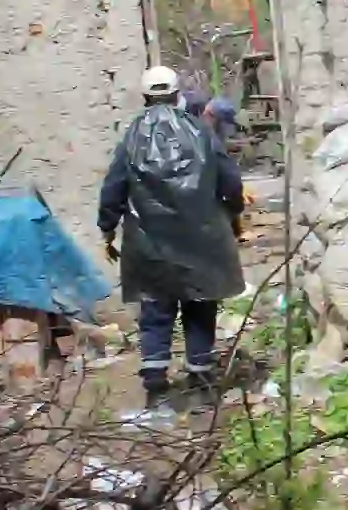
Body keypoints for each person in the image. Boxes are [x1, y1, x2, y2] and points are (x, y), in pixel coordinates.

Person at [99, 65, 245, 404]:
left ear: (145, 96)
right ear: (178, 93)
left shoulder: (132, 137)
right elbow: (230, 181)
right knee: (200, 307)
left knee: (156, 311)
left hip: (149, 244)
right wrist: (234, 213)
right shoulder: (202, 132)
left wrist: (107, 229)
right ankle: (201, 379)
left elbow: (113, 189)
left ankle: (155, 387)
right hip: (201, 240)